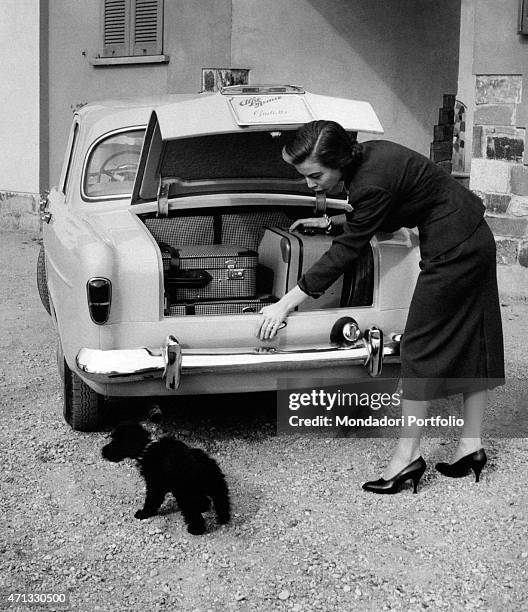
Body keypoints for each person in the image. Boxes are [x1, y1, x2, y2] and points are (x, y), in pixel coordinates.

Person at [256, 120, 505, 494]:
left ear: (339, 161)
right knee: (475, 336)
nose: (309, 184)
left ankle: (407, 458)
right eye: (304, 176)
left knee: (420, 346)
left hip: (454, 249)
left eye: (314, 175)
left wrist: (286, 303)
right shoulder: (372, 156)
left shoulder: (368, 181)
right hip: (471, 235)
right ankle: (471, 446)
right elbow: (378, 214)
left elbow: (348, 250)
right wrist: (331, 221)